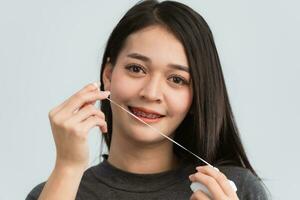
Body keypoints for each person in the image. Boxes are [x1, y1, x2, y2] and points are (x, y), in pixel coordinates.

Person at [26, 0, 270, 199]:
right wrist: (67, 166)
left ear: (197, 97)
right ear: (108, 75)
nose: (151, 93)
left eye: (176, 79)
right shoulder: (56, 191)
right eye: (136, 69)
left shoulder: (234, 189)